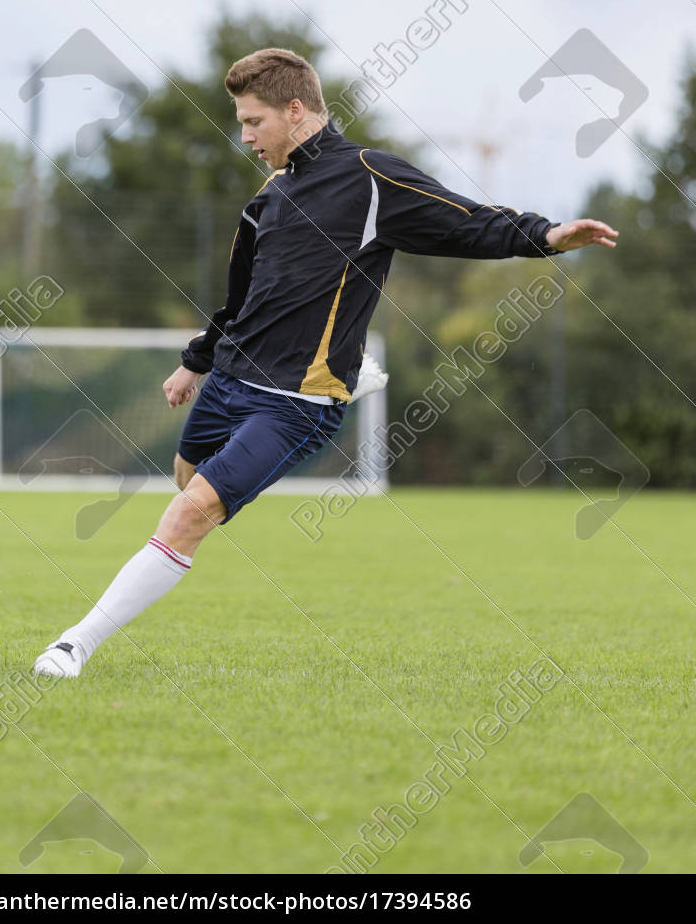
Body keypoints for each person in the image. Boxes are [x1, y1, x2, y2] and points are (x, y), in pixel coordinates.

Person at [34, 48, 617, 677]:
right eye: (240, 122)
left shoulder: (369, 176)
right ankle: (341, 378)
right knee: (186, 478)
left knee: (186, 516)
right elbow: (240, 297)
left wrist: (548, 235)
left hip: (296, 402)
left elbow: (465, 223)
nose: (246, 136)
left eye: (254, 121)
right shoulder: (269, 194)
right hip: (229, 379)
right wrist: (195, 362)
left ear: (295, 111)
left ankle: (74, 645)